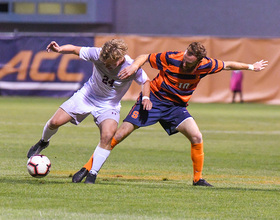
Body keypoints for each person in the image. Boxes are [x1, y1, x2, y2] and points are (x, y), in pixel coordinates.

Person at [73, 42, 268, 186]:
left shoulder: (206, 65)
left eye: (189, 60)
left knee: (196, 136)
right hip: (153, 100)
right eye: (185, 56)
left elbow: (228, 64)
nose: (185, 60)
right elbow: (144, 56)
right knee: (120, 134)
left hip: (176, 107)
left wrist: (252, 67)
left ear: (198, 61)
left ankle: (198, 179)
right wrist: (134, 66)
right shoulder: (173, 57)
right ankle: (88, 167)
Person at [27, 39, 152, 184]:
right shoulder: (98, 53)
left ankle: (92, 174)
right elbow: (74, 49)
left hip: (109, 105)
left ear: (119, 60)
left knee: (107, 136)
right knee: (55, 122)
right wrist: (60, 49)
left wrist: (146, 98)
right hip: (87, 96)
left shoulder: (130, 67)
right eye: (104, 62)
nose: (105, 65)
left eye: (109, 63)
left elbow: (145, 81)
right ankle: (43, 142)